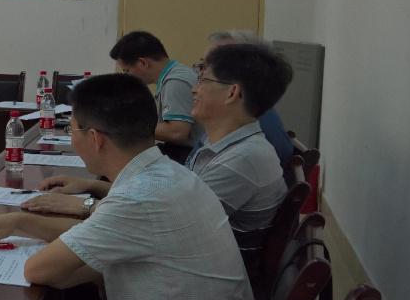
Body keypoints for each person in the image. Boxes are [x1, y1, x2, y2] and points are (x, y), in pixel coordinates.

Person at [0, 74, 260, 300]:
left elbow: (38, 270)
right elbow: (92, 242)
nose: (72, 138)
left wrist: (66, 264)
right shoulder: (165, 174)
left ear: (95, 138)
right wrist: (20, 222)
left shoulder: (140, 196)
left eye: (73, 130)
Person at [189, 44, 292, 234]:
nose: (194, 89)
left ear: (232, 92)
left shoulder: (243, 158)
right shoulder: (225, 141)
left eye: (203, 79)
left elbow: (178, 223)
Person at [203, 31, 295, 169]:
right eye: (203, 66)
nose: (201, 77)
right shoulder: (244, 115)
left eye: (212, 67)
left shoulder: (252, 127)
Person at [109, 30, 200, 162]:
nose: (127, 76)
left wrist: (130, 126)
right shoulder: (173, 75)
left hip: (189, 156)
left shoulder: (175, 82)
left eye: (127, 71)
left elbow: (177, 132)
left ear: (143, 63)